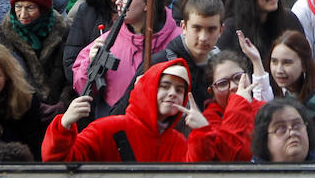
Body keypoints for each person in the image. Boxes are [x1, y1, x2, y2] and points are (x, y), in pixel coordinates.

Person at [42, 59, 201, 162]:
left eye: (180, 90)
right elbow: (59, 161)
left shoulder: (178, 142)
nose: (173, 93)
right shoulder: (106, 129)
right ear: (148, 89)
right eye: (164, 86)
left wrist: (203, 132)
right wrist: (63, 126)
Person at [251, 96, 315, 163]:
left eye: (297, 125)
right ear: (263, 139)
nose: (292, 132)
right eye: (281, 128)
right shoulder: (253, 175)